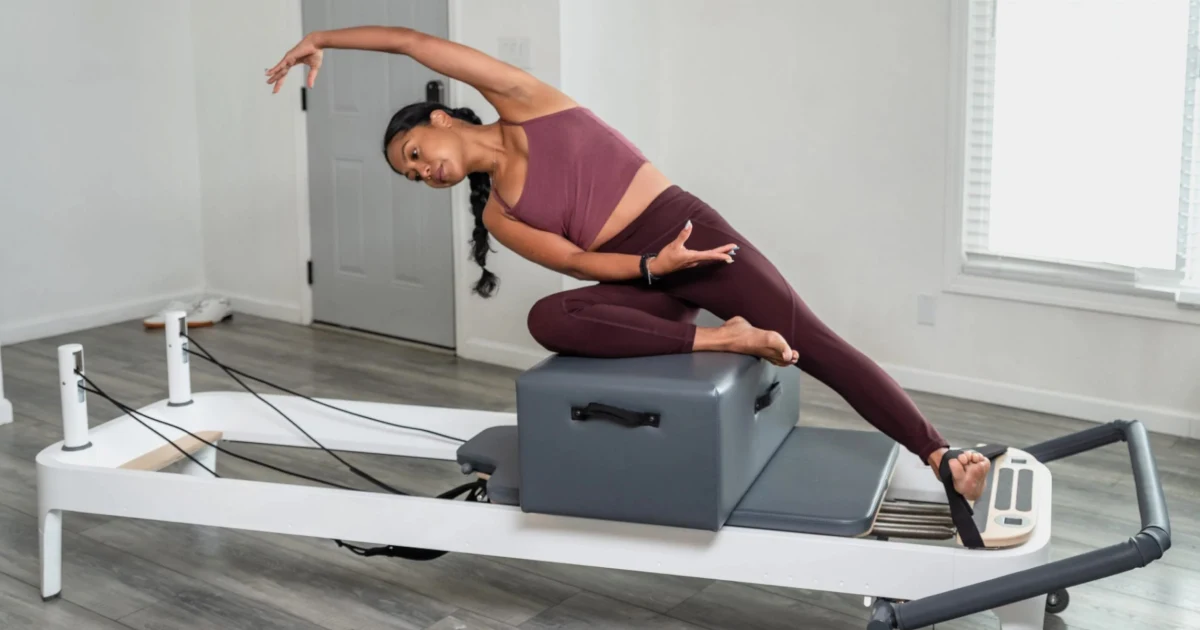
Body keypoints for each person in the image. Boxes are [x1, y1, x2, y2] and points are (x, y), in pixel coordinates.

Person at [265, 26, 991, 503]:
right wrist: (652, 267)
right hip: (649, 269)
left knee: (816, 342)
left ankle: (938, 456)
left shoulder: (525, 102)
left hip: (694, 236)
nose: (424, 172)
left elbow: (414, 43)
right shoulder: (499, 215)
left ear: (441, 119)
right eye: (413, 176)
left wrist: (322, 38)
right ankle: (722, 337)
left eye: (417, 154)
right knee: (549, 315)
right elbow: (582, 260)